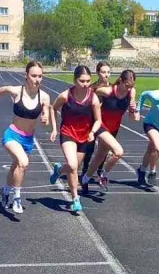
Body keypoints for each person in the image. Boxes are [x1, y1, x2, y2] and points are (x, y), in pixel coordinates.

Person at [0, 61, 55, 214]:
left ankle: (5, 190)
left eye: (40, 76)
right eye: (34, 76)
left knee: (16, 167)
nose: (37, 79)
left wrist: (45, 119)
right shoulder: (16, 91)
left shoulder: (44, 97)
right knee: (23, 163)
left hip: (28, 140)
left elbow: (45, 115)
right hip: (12, 135)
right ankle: (17, 199)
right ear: (26, 76)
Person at [49, 65, 102, 213]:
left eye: (87, 81)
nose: (85, 84)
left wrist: (92, 131)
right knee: (72, 165)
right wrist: (54, 128)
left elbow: (98, 120)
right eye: (81, 81)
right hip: (68, 133)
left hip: (84, 136)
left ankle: (59, 170)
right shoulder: (65, 96)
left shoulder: (93, 98)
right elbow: (53, 109)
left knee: (73, 167)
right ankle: (75, 199)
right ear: (74, 80)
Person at [80, 69, 138, 193]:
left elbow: (133, 119)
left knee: (100, 156)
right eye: (126, 85)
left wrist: (133, 110)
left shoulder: (131, 93)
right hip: (101, 126)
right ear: (120, 81)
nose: (128, 88)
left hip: (113, 129)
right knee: (118, 152)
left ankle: (84, 179)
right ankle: (103, 175)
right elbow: (91, 92)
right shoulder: (107, 91)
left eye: (131, 86)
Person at [80, 61, 112, 180]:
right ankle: (85, 170)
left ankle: (100, 170)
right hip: (93, 121)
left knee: (104, 149)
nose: (106, 75)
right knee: (90, 147)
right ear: (98, 73)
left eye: (108, 72)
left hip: (108, 122)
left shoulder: (113, 88)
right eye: (103, 72)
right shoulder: (91, 88)